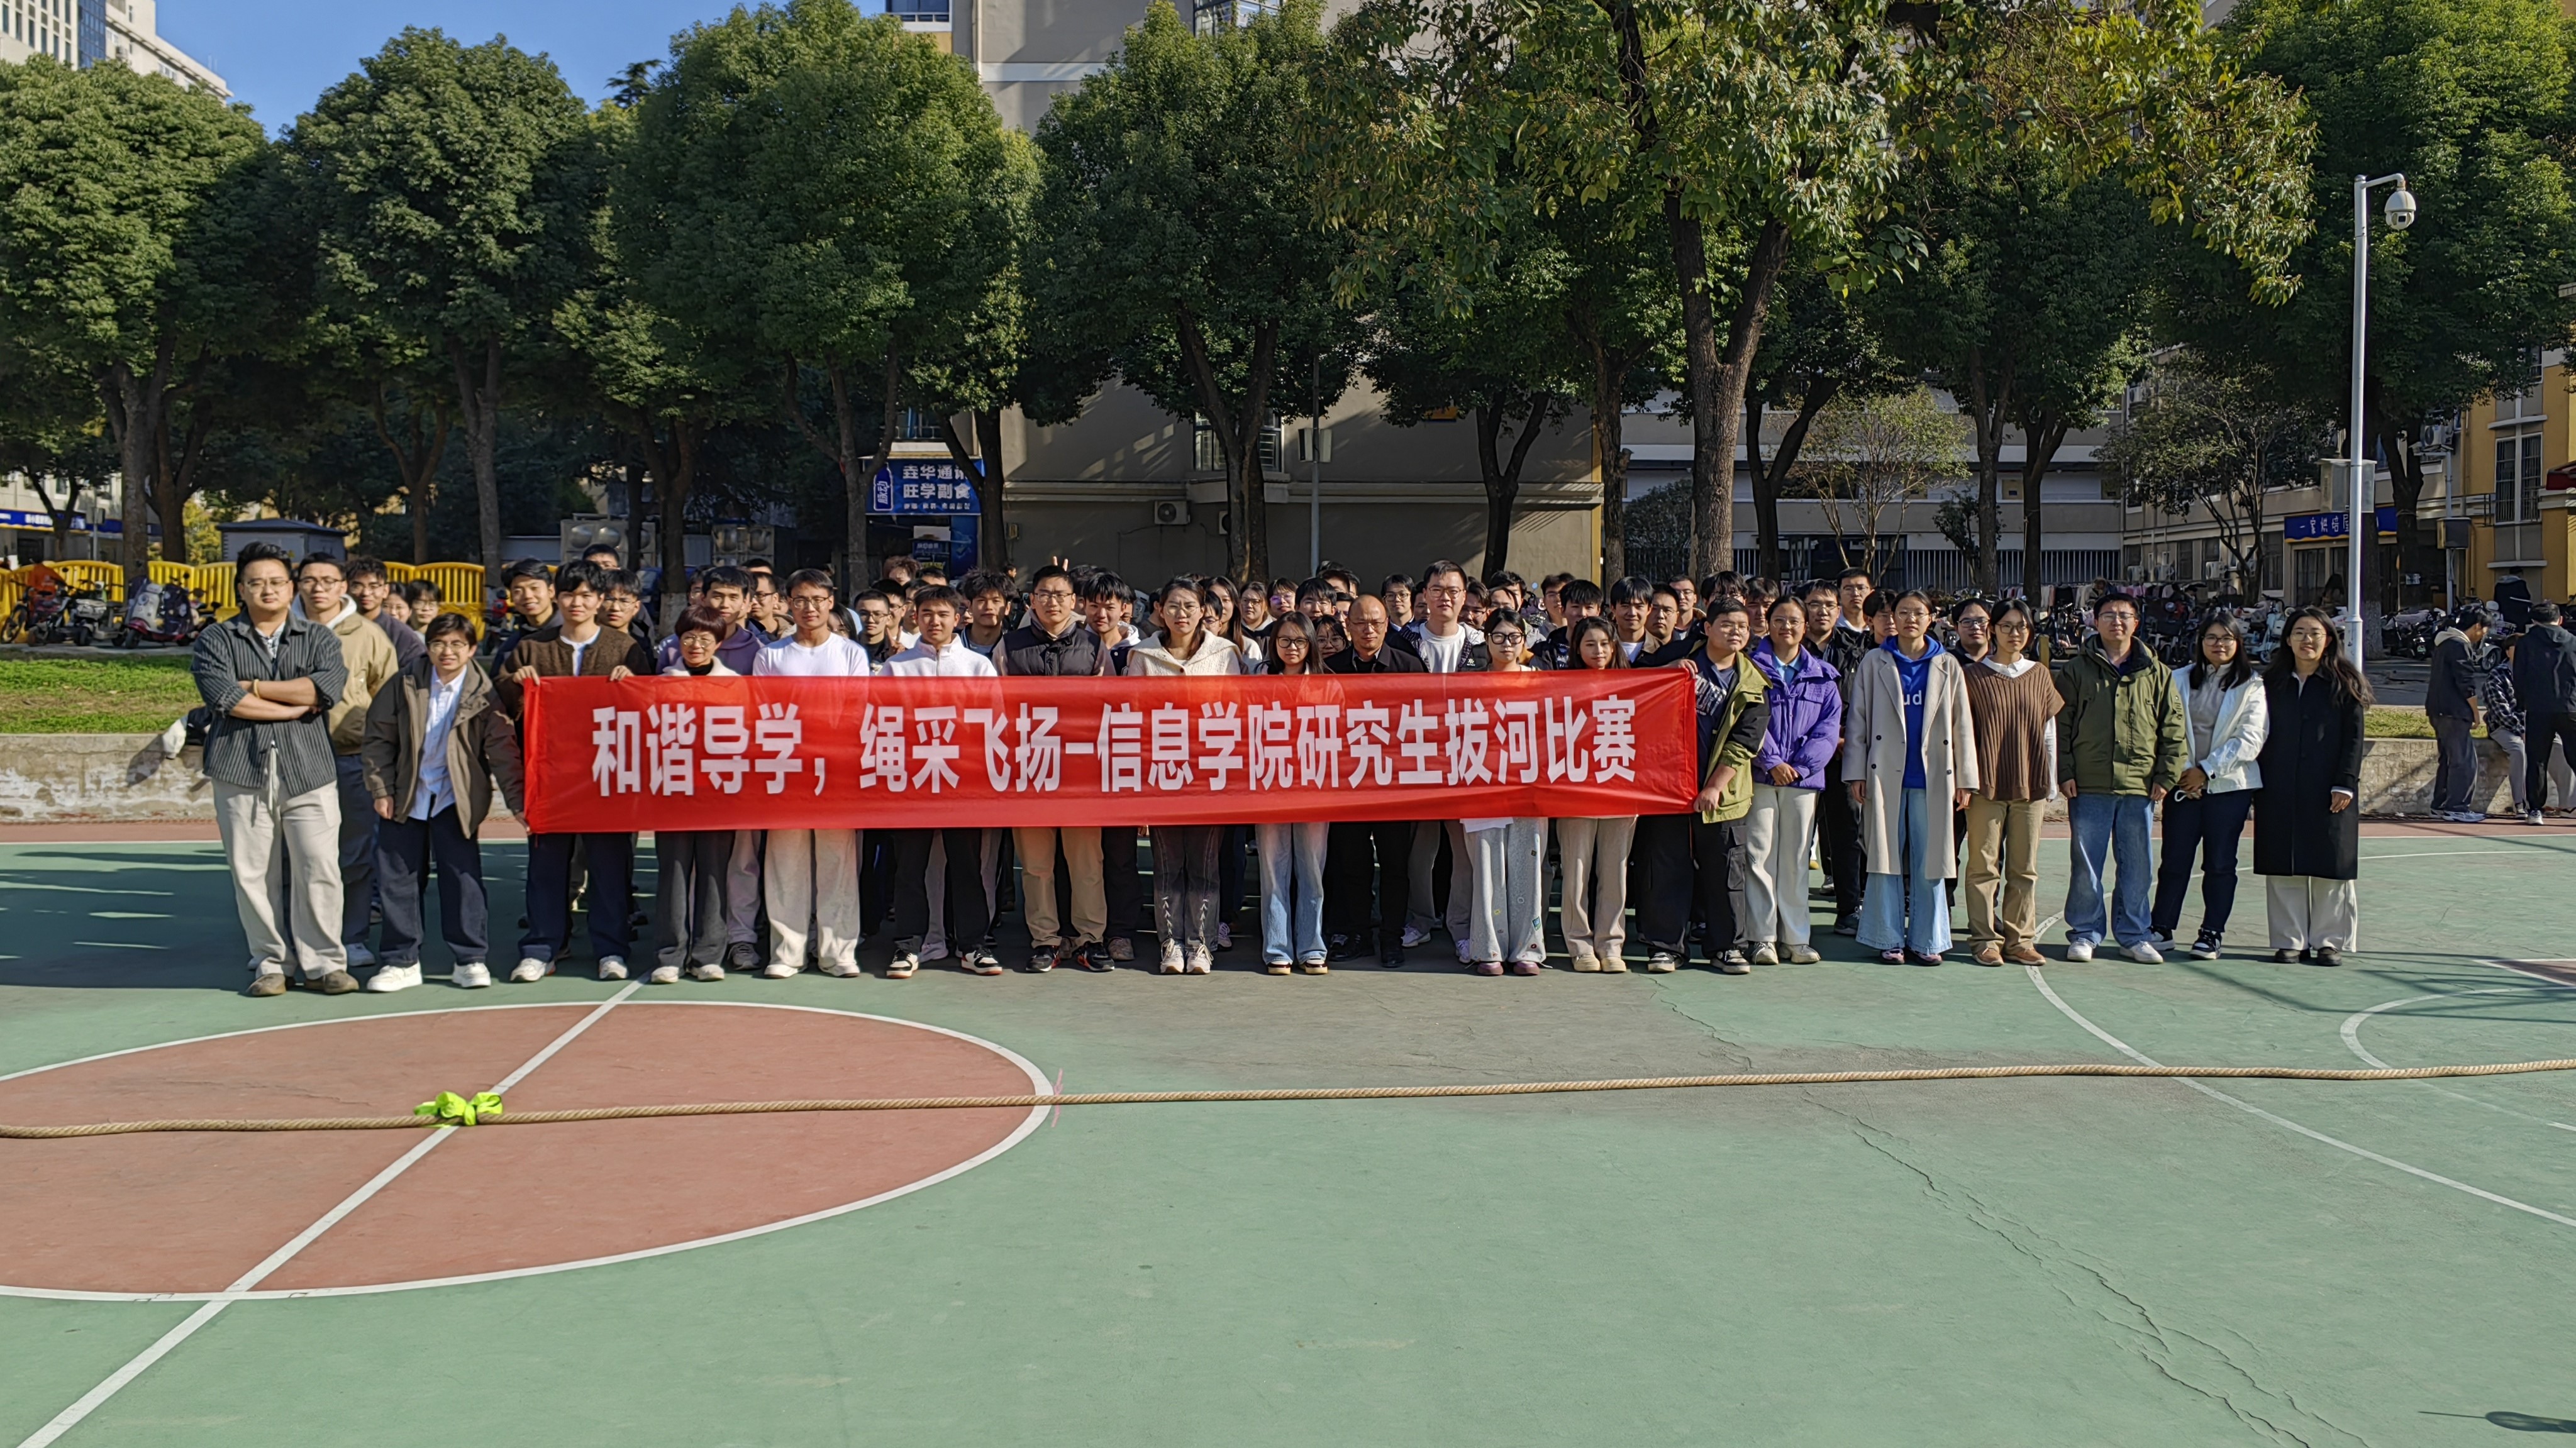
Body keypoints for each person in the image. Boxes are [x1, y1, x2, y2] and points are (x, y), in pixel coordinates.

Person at [194, 543, 355, 997]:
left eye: (277, 581)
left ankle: (325, 964)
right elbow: (226, 699)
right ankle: (271, 963)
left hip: (309, 769)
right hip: (240, 769)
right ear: (241, 589)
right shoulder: (217, 639)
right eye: (256, 582)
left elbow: (324, 689)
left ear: (291, 588)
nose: (268, 590)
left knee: (320, 867)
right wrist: (290, 708)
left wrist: (257, 687)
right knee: (252, 872)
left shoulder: (319, 637)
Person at [501, 560, 648, 982]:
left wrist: (634, 682)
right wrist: (515, 683)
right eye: (569, 594)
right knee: (547, 865)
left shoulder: (626, 648)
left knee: (609, 866)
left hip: (608, 775)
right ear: (557, 597)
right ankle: (542, 947)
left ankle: (611, 948)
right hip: (551, 776)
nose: (576, 603)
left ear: (600, 600)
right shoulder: (532, 647)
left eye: (586, 595)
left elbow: (650, 708)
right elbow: (504, 705)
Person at [360, 611, 522, 992]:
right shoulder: (404, 682)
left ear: (472, 649)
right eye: (438, 644)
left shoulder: (484, 694)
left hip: (455, 798)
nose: (447, 652)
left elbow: (502, 752)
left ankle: (470, 959)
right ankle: (401, 961)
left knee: (463, 879)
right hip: (406, 794)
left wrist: (518, 803)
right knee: (398, 879)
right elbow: (378, 737)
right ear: (427, 646)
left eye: (456, 645)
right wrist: (381, 789)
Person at [1633, 596, 1771, 973]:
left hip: (1723, 792)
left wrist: (1715, 786)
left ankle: (1727, 947)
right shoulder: (1676, 657)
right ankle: (1665, 947)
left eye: (1742, 627)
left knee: (1725, 869)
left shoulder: (1754, 682)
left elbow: (1745, 742)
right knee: (1666, 865)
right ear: (1707, 627)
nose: (1735, 632)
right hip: (1668, 786)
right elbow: (1633, 688)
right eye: (1726, 624)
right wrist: (1666, 672)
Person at [2055, 590, 2189, 963]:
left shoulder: (2157, 673)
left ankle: (2134, 935)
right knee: (2087, 865)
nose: (2117, 621)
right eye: (2109, 615)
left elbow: (2173, 728)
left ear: (2136, 623)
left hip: (2140, 784)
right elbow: (2061, 726)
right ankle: (2085, 933)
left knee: (2137, 866)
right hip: (2089, 783)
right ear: (2095, 622)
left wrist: (2167, 774)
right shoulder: (2076, 670)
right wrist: (2065, 771)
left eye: (2124, 615)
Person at [1846, 590, 1977, 964]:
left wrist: (1966, 778)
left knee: (1932, 859)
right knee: (1884, 857)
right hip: (1884, 774)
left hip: (1933, 776)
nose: (1909, 619)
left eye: (1918, 613)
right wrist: (1855, 771)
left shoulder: (1947, 664)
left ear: (1931, 618)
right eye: (1902, 612)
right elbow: (1858, 719)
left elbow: (1962, 724)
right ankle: (1886, 936)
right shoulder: (1875, 661)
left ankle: (1928, 939)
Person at [753, 570, 871, 979]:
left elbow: (858, 710)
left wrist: (833, 750)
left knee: (838, 862)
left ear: (831, 602)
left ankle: (838, 951)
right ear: (788, 602)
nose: (809, 608)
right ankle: (787, 952)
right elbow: (763, 713)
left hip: (836, 770)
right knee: (786, 862)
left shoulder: (851, 653)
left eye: (818, 600)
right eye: (801, 600)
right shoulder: (771, 655)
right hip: (787, 769)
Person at [997, 563, 1114, 972]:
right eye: (1044, 594)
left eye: (1061, 595)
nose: (1053, 602)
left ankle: (1090, 939)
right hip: (1029, 769)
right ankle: (1044, 940)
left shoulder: (1093, 645)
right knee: (1036, 865)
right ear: (1032, 600)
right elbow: (995, 709)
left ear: (1074, 601)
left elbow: (1110, 709)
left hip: (1081, 771)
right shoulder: (1009, 646)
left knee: (1087, 863)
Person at [1123, 577, 1243, 973]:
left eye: (1190, 606)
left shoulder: (1223, 653)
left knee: (1205, 864)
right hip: (1163, 773)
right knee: (1167, 863)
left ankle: (1201, 944)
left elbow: (1235, 715)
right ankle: (1170, 943)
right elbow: (1134, 720)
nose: (1181, 614)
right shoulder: (1143, 656)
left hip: (1209, 774)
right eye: (1173, 606)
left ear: (1203, 611)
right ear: (1160, 610)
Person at [881, 585, 1001, 976]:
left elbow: (993, 723)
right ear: (915, 617)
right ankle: (908, 946)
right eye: (927, 614)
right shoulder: (897, 667)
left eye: (943, 614)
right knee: (910, 867)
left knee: (967, 865)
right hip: (912, 783)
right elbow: (883, 722)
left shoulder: (978, 667)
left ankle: (973, 945)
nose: (935, 621)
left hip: (961, 783)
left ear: (958, 618)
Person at [293, 554, 403, 970]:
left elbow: (388, 700)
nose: (318, 588)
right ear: (298, 585)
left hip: (351, 758)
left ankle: (352, 935)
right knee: (294, 855)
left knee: (354, 854)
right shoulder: (281, 630)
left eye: (328, 580)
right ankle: (295, 940)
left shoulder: (370, 635)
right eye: (309, 580)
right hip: (293, 758)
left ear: (343, 586)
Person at [2148, 613, 2268, 960]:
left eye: (2227, 638)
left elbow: (2250, 738)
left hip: (2229, 788)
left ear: (2238, 644)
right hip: (2183, 786)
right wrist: (2185, 771)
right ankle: (2161, 927)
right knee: (2174, 860)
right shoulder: (2178, 679)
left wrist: (2207, 771)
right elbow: (2166, 729)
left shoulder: (2252, 685)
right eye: (2212, 638)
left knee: (2220, 863)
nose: (2219, 645)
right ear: (2200, 642)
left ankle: (2211, 933)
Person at [2254, 609, 2368, 964]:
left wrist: (2345, 783)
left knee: (2330, 864)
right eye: (2299, 632)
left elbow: (2354, 738)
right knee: (2283, 863)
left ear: (2328, 640)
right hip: (2278, 785)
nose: (2307, 640)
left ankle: (2329, 941)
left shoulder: (2344, 682)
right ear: (2287, 639)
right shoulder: (2268, 684)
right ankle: (2290, 939)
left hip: (2329, 788)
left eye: (2315, 633)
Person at [1323, 594, 1425, 964]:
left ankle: (1392, 938)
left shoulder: (1408, 666)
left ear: (1387, 625)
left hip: (1394, 786)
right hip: (1347, 784)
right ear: (1348, 626)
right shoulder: (1330, 669)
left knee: (1396, 866)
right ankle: (1359, 935)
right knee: (1353, 866)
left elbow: (1426, 723)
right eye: (1361, 623)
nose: (1369, 630)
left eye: (1376, 623)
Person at [1960, 599, 2061, 966]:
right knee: (1982, 866)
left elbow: (2048, 732)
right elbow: (1962, 733)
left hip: (2030, 784)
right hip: (1985, 785)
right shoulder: (1972, 676)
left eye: (2021, 626)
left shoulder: (2039, 674)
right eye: (2006, 626)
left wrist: (2050, 781)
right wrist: (1965, 780)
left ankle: (2021, 940)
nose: (2014, 633)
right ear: (1993, 630)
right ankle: (1984, 939)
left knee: (2024, 867)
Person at [1743, 594, 1840, 965]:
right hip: (1761, 775)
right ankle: (1762, 937)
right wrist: (1771, 761)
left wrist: (1799, 767)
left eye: (1794, 621)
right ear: (1768, 624)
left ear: (1805, 626)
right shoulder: (1750, 668)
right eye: (1779, 620)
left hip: (1803, 780)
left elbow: (1828, 731)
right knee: (1759, 855)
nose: (1787, 627)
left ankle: (1796, 938)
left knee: (1797, 858)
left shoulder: (1823, 676)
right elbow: (1746, 717)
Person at [1400, 561, 1489, 957]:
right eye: (1437, 590)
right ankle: (1419, 920)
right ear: (1424, 595)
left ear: (1464, 595)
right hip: (1417, 757)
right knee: (1420, 850)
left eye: (1453, 590)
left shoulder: (1482, 644)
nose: (1445, 598)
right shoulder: (1404, 641)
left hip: (1467, 758)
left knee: (1465, 850)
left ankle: (1462, 926)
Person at [653, 607, 740, 983]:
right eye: (689, 637)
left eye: (706, 639)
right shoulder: (660, 684)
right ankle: (670, 955)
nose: (696, 645)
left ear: (719, 643)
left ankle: (708, 954)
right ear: (677, 641)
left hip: (719, 793)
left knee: (715, 874)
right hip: (672, 793)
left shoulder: (735, 685)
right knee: (673, 873)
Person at [1458, 611, 1548, 975]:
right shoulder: (1470, 684)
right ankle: (1488, 948)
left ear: (1525, 641)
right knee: (1487, 867)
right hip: (1483, 783)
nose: (1507, 644)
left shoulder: (1541, 681)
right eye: (1498, 636)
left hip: (1530, 784)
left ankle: (1528, 948)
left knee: (1528, 866)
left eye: (1514, 637)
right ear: (1487, 640)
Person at [1552, 617, 1636, 971]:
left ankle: (1611, 943)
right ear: (1577, 648)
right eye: (1590, 644)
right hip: (1575, 791)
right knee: (1576, 870)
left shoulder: (1635, 685)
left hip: (1621, 789)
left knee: (1615, 870)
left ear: (1614, 646)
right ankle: (1579, 944)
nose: (1598, 651)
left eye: (1604, 644)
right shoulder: (1560, 686)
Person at [1255, 613, 1331, 974]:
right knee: (1274, 871)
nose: (1292, 648)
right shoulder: (1259, 681)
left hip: (1314, 788)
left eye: (1300, 641)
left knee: (1312, 871)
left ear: (1311, 644)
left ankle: (1312, 946)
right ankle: (1277, 948)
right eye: (1284, 641)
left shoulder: (1327, 684)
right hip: (1269, 786)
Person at [1816, 578, 1874, 934]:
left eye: (1828, 605)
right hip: (1794, 761)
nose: (1821, 612)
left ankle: (1850, 906)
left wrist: (1843, 738)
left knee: (1847, 831)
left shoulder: (1855, 647)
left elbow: (1855, 701)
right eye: (1814, 605)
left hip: (1843, 752)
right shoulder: (1789, 649)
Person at [2511, 602, 2576, 826]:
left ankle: (2535, 810)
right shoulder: (2573, 641)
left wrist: (2521, 704)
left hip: (2538, 708)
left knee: (2537, 760)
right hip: (2570, 707)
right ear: (2560, 620)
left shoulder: (2526, 643)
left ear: (2534, 621)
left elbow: (2519, 676)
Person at [2426, 607, 2487, 822]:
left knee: (2448, 759)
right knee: (2464, 762)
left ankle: (2441, 805)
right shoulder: (2460, 645)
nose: (2484, 635)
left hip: (2438, 709)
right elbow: (2466, 683)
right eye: (2485, 630)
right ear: (2478, 626)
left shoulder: (2443, 643)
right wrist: (2475, 712)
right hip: (2454, 711)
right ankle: (2457, 808)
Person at [345, 557, 425, 669]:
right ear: (346, 588)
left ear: (385, 591)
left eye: (373, 586)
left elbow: (416, 674)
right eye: (357, 586)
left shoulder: (402, 636)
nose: (366, 593)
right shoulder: (334, 626)